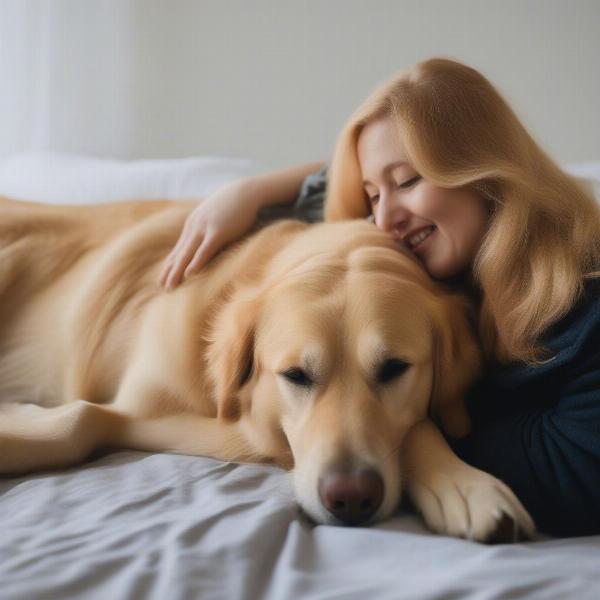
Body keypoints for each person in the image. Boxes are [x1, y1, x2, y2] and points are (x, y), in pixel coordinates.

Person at [159, 58, 600, 537]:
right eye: (372, 195)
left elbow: (576, 473)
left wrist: (416, 436)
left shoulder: (582, 296)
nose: (385, 220)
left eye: (407, 181)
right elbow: (333, 185)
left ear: (486, 171)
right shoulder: (430, 251)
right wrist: (248, 190)